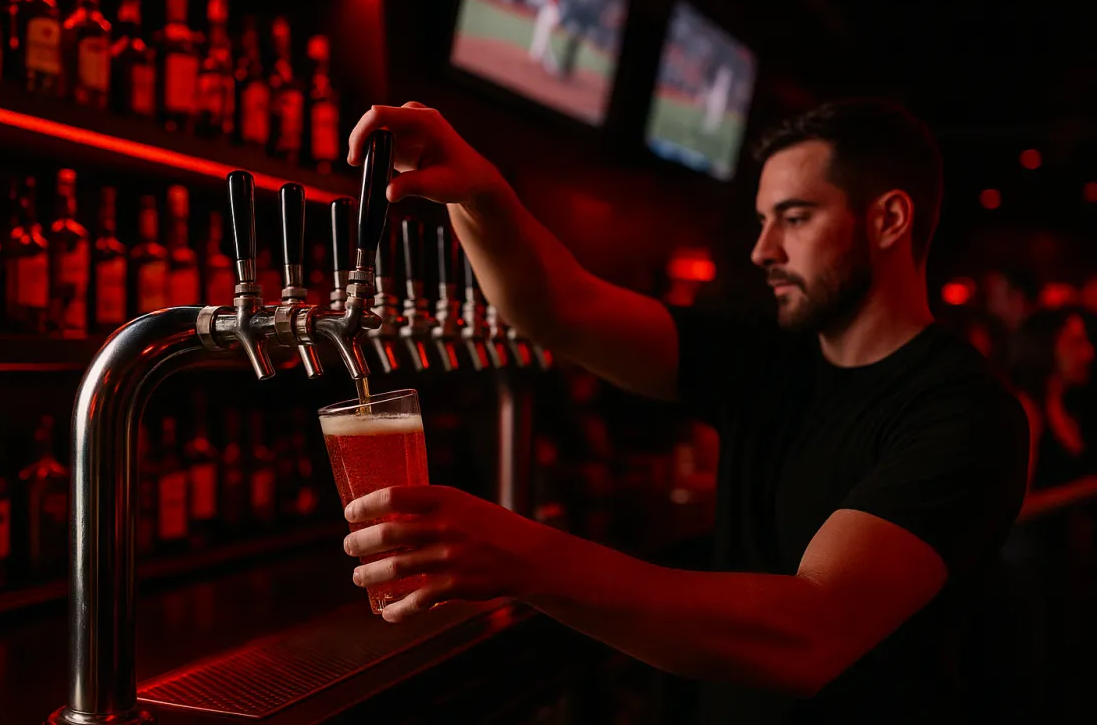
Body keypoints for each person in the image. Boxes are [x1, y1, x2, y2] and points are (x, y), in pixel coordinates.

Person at [341, 99, 1029, 722]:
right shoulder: (771, 352)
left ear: (889, 220)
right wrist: (483, 194)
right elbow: (563, 310)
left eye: (794, 218)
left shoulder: (965, 414)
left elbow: (809, 634)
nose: (763, 250)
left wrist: (521, 556)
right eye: (764, 221)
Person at [1008, 307, 1095, 488]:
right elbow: (1015, 505)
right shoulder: (1027, 411)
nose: (1089, 353)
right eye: (1076, 343)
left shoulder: (1075, 403)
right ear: (1046, 347)